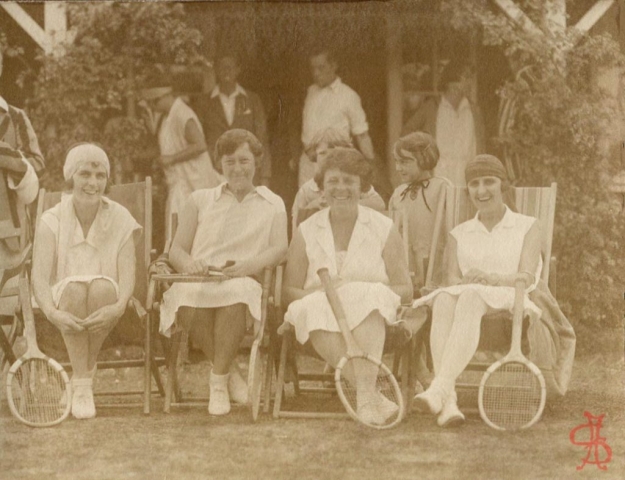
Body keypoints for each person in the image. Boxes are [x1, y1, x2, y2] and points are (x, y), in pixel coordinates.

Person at [409, 154, 575, 428]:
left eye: (489, 182)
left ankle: (440, 389)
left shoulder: (527, 225)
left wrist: (491, 278)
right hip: (467, 299)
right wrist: (468, 280)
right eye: (474, 184)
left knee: (471, 297)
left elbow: (527, 274)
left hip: (514, 300)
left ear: (503, 186)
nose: (481, 190)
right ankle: (448, 402)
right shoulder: (459, 232)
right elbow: (450, 278)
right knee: (443, 300)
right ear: (468, 189)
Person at [160, 129, 288, 416]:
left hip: (243, 278)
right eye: (229, 161)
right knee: (186, 298)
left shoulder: (272, 202)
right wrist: (189, 264)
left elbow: (280, 247)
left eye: (244, 160)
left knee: (235, 296)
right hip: (202, 278)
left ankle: (217, 384)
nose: (237, 168)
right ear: (220, 164)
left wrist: (246, 267)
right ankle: (228, 372)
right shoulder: (200, 199)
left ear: (257, 161)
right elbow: (176, 250)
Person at [283, 147, 412, 425]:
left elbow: (404, 288)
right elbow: (290, 290)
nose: (340, 188)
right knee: (313, 306)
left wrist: (355, 292)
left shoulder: (383, 227)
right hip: (320, 308)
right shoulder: (306, 231)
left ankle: (365, 395)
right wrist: (327, 296)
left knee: (367, 295)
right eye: (333, 181)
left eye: (349, 181)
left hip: (373, 315)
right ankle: (369, 395)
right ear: (321, 188)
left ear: (362, 187)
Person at [32, 144, 141, 419]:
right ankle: (84, 381)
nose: (93, 183)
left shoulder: (121, 217)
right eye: (85, 174)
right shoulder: (51, 219)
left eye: (100, 175)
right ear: (71, 177)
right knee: (75, 288)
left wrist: (118, 307)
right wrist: (53, 312)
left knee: (102, 286)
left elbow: (128, 276)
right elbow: (39, 277)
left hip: (109, 299)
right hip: (63, 299)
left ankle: (79, 382)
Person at [140, 77, 223, 241]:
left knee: (196, 233)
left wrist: (171, 159)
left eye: (154, 102)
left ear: (165, 96)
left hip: (195, 182)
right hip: (181, 183)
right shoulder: (167, 115)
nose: (152, 107)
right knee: (179, 233)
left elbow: (200, 145)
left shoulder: (182, 113)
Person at [297, 48, 376, 187]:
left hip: (334, 164)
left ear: (334, 66)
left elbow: (362, 135)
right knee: (307, 205)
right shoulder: (310, 92)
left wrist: (370, 165)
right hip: (308, 164)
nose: (316, 73)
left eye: (321, 68)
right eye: (313, 68)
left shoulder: (348, 95)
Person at [389, 132, 452, 293]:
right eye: (397, 162)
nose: (398, 168)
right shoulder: (399, 193)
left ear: (424, 159)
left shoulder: (441, 187)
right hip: (408, 261)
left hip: (435, 260)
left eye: (404, 162)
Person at [401, 60, 482, 186]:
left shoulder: (474, 110)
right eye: (466, 78)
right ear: (452, 82)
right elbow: (407, 132)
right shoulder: (432, 107)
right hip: (439, 176)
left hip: (468, 179)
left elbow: (481, 146)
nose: (470, 83)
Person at [195, 52, 271, 186]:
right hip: (215, 174)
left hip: (247, 174)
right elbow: (198, 140)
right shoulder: (204, 103)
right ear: (216, 70)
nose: (226, 71)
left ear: (238, 70)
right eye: (222, 67)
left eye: (230, 67)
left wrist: (265, 177)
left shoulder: (252, 100)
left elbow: (262, 139)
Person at [291, 127, 385, 235]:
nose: (329, 157)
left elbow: (379, 203)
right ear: (315, 156)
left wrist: (345, 204)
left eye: (335, 153)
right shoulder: (307, 190)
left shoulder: (353, 183)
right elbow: (297, 223)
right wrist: (313, 205)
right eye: (322, 153)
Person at [0, 48, 43, 263]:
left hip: (9, 230)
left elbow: (37, 164)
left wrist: (7, 158)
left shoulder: (15, 117)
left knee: (9, 293)